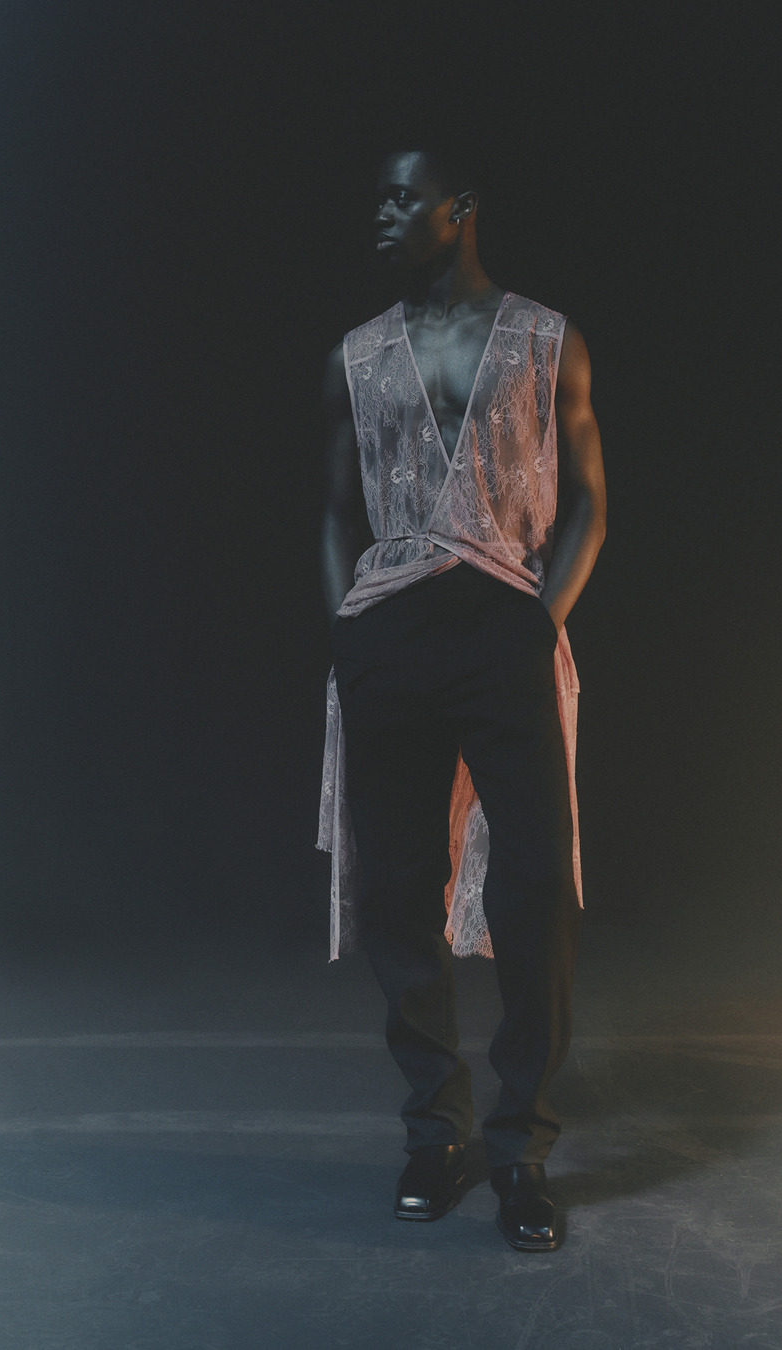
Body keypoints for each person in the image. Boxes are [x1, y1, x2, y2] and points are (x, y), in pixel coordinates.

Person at [318, 146, 606, 1252]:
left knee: (535, 888)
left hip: (502, 628)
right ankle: (434, 1132)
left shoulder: (544, 338)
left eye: (404, 197)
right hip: (390, 632)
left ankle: (521, 1145)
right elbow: (334, 508)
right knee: (399, 887)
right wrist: (348, 634)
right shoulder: (356, 354)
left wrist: (540, 622)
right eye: (378, 197)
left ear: (462, 207)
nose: (383, 214)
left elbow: (589, 499)